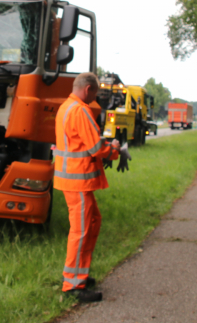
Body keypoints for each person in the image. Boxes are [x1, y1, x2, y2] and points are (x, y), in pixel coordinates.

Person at [55, 72, 130, 302]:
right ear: (88, 90)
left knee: (93, 222)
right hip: (77, 181)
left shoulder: (67, 107)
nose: (95, 98)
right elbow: (96, 147)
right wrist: (116, 149)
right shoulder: (81, 110)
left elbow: (85, 144)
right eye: (96, 93)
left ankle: (80, 275)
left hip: (76, 181)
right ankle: (72, 284)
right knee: (81, 231)